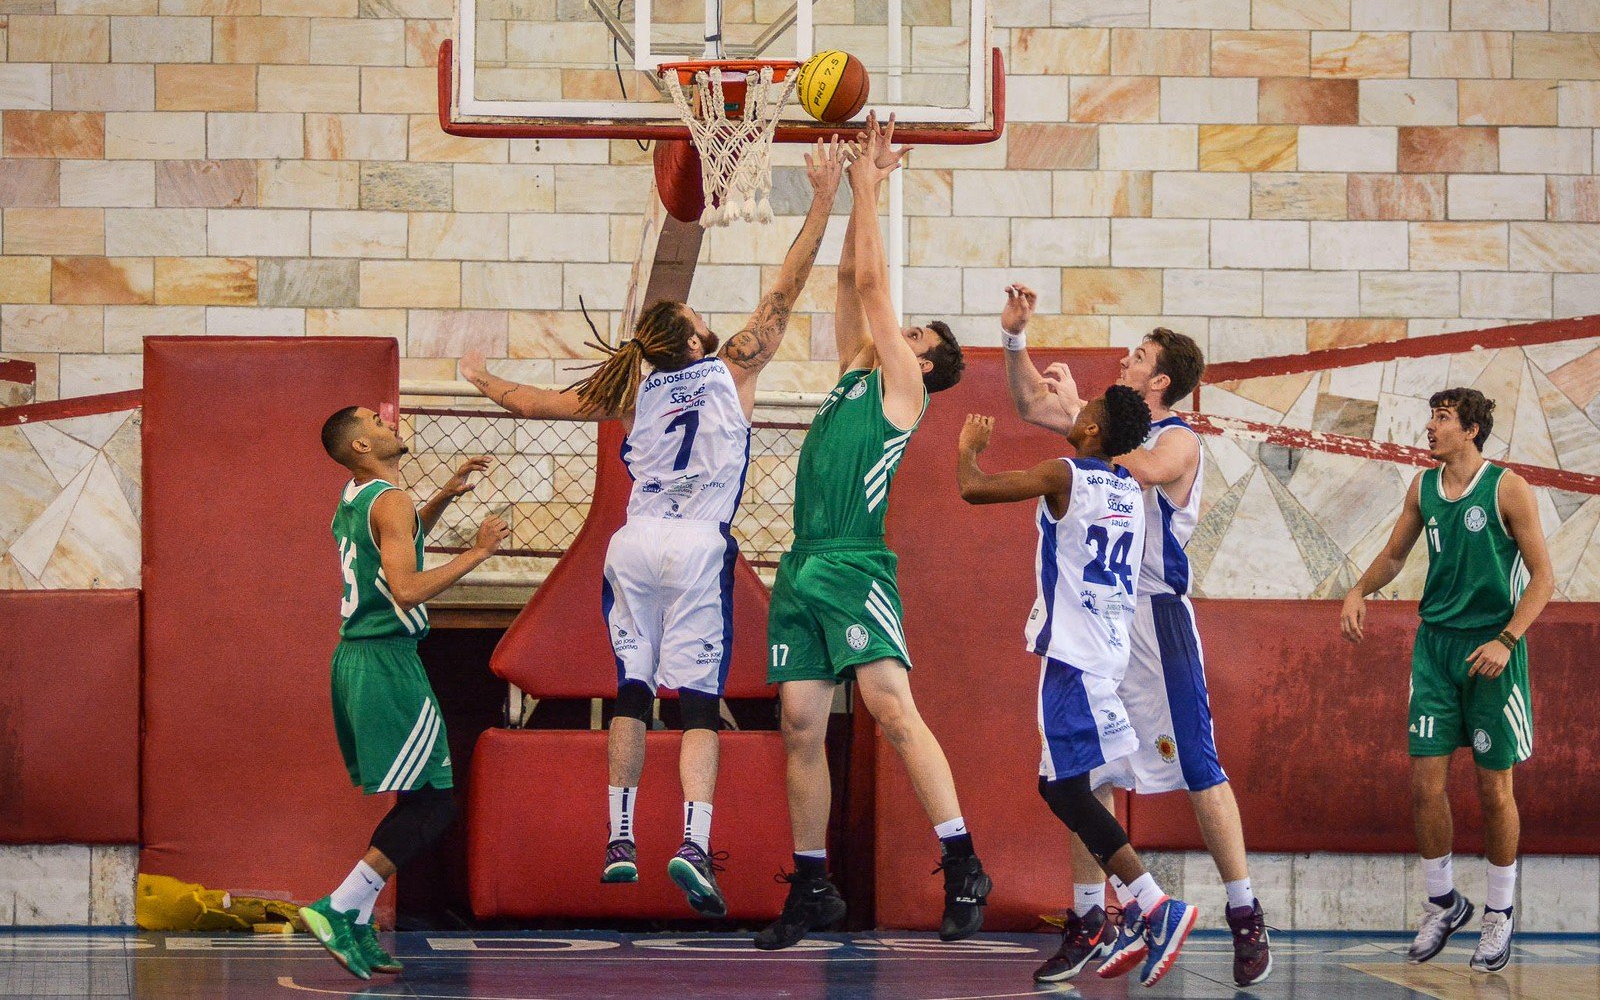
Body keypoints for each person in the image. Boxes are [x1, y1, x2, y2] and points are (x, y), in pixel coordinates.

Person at [459, 137, 847, 916]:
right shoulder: (733, 365)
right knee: (697, 705)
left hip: (631, 547)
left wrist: (484, 377)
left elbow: (535, 404)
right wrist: (824, 199)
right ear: (700, 340)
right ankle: (694, 843)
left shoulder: (635, 392)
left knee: (632, 692)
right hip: (698, 546)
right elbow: (787, 287)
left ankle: (620, 839)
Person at [999, 285, 1271, 986]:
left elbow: (1139, 468)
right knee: (1081, 770)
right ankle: (1094, 917)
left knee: (1199, 766)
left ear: (1162, 382)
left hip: (1158, 616)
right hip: (1103, 614)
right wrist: (1017, 342)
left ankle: (1245, 911)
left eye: (1140, 355)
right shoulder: (1111, 429)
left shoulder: (1175, 437)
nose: (1126, 357)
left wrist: (1082, 435)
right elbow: (1031, 406)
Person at [756, 114, 982, 952]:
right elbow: (856, 283)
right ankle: (813, 886)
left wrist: (870, 183)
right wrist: (839, 194)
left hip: (854, 564)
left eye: (913, 337)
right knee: (800, 726)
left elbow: (879, 293)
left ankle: (962, 862)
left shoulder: (904, 394)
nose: (897, 329)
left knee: (890, 709)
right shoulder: (858, 376)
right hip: (803, 566)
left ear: (923, 364)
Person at [956, 388, 1198, 989]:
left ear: (1091, 427)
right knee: (1071, 787)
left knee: (1062, 791)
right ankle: (1121, 911)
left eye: (1084, 410)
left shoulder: (1063, 473)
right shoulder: (1130, 492)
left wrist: (969, 451)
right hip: (1108, 649)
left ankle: (1152, 905)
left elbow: (975, 489)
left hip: (1072, 653)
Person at [1342, 388, 1553, 974]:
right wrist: (1360, 589)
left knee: (1494, 791)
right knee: (1423, 784)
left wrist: (1507, 640)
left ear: (1471, 430)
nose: (1429, 428)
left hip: (1494, 651)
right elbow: (1393, 555)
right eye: (1431, 417)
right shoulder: (1423, 487)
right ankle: (1442, 901)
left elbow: (1543, 578)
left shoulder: (1507, 487)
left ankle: (1500, 913)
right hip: (1435, 649)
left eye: (1441, 419)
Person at [303, 406, 509, 980]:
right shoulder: (388, 500)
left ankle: (357, 919)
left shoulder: (359, 495)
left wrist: (444, 494)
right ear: (361, 445)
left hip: (360, 660)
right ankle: (340, 905)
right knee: (438, 800)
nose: (389, 421)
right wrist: (480, 551)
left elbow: (396, 537)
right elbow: (407, 587)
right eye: (375, 419)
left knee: (423, 799)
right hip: (385, 661)